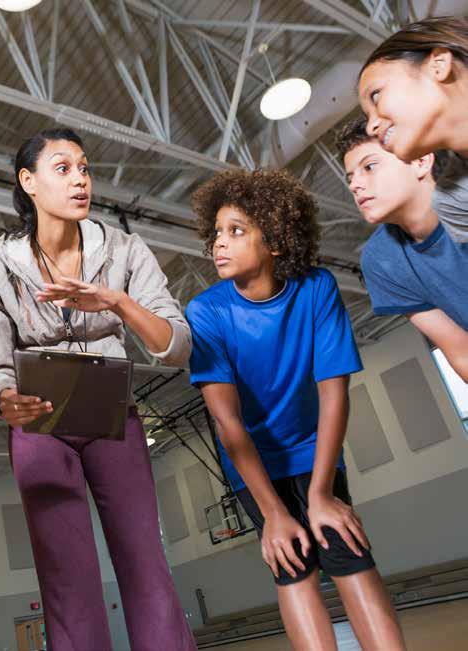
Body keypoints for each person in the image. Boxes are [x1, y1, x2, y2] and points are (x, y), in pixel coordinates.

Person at [0, 128, 196, 651]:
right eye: (63, 168)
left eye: (85, 168)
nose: (80, 180)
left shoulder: (124, 249)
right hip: (39, 421)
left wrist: (118, 303)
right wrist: (4, 400)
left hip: (112, 414)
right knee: (65, 577)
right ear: (28, 181)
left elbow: (177, 346)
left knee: (145, 562)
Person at [186, 168, 406, 650]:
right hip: (253, 465)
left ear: (275, 241)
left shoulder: (316, 288)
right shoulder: (206, 312)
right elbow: (228, 423)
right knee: (293, 565)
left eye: (236, 230)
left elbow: (334, 394)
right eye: (217, 232)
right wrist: (272, 514)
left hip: (314, 451)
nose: (219, 242)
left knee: (347, 550)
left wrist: (322, 493)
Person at [336, 115, 467, 382]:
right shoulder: (381, 260)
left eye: (369, 167)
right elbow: (462, 353)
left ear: (420, 161)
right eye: (350, 177)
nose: (354, 185)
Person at [358, 16, 468, 243]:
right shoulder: (455, 200)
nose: (371, 127)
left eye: (376, 96)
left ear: (439, 64)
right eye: (367, 116)